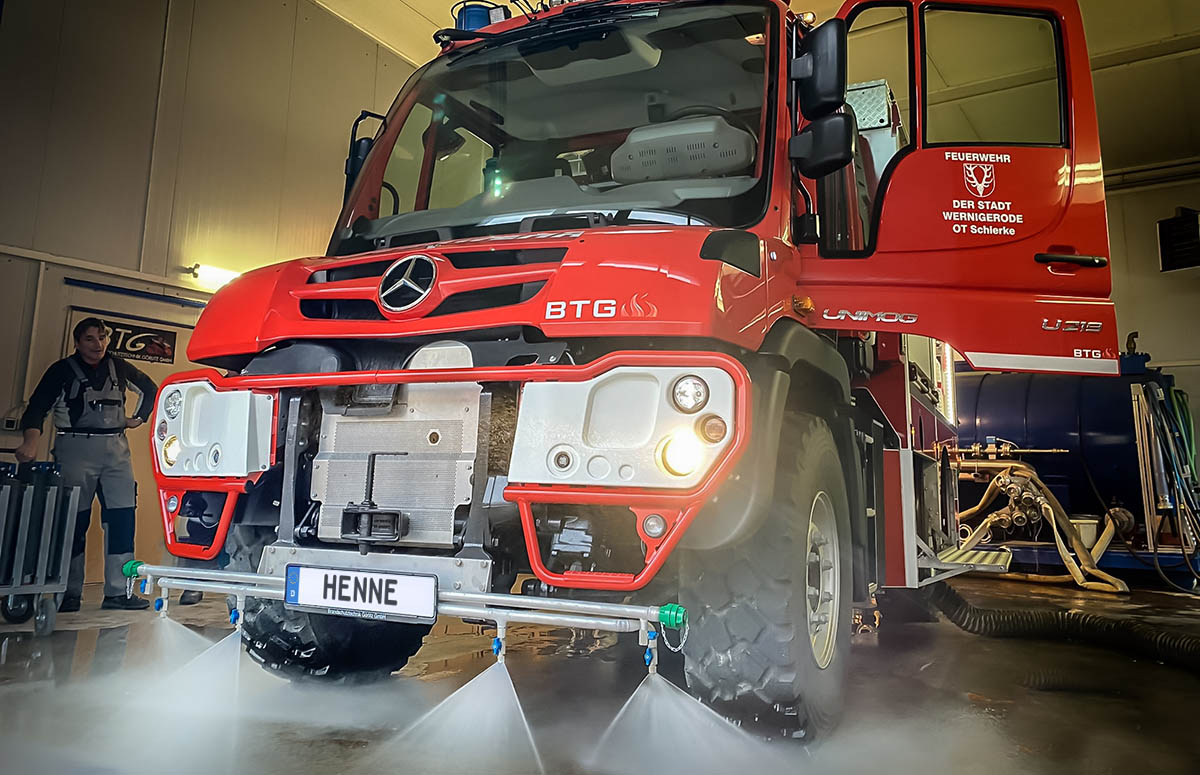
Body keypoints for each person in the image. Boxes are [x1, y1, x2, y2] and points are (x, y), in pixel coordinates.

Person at [16, 317, 157, 611]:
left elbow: (150, 388)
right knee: (72, 521)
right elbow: (37, 408)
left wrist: (138, 418)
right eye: (91, 339)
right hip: (75, 448)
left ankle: (119, 592)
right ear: (77, 343)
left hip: (116, 451)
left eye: (102, 338)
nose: (99, 345)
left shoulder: (119, 366)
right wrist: (31, 441)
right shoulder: (61, 371)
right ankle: (67, 592)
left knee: (122, 520)